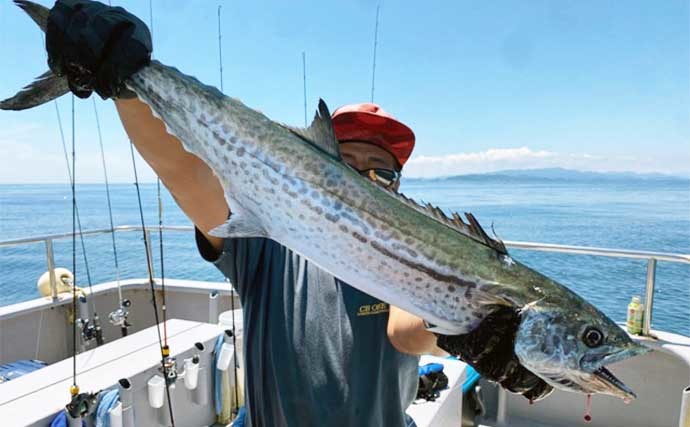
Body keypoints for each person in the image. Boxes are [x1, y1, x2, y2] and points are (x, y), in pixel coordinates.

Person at [44, 1, 552, 425]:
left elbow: (406, 333)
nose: (366, 179)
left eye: (383, 171)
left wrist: (475, 335)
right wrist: (125, 86)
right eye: (347, 164)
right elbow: (186, 175)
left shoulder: (411, 259)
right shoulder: (271, 233)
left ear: (400, 189)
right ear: (318, 165)